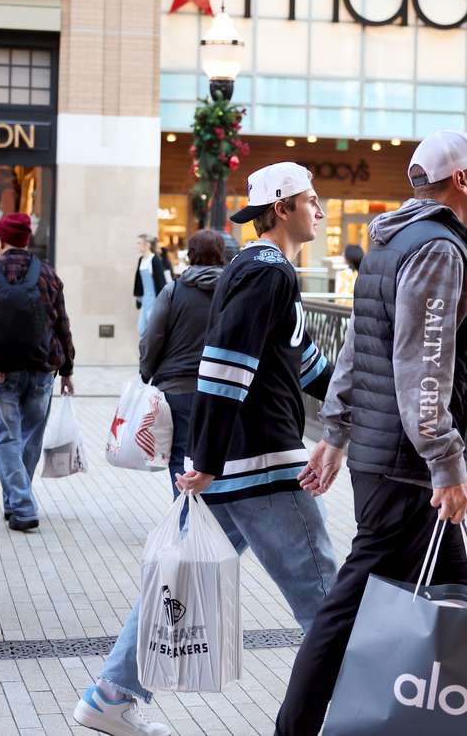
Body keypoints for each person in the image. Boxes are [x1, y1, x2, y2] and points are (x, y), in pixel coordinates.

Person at [73, 163, 339, 736]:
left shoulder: (258, 270)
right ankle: (349, 711)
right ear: (283, 208)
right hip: (260, 465)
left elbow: (302, 364)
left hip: (238, 465)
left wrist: (350, 405)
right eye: (311, 200)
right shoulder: (268, 273)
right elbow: (224, 369)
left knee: (183, 575)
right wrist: (206, 460)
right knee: (326, 601)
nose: (320, 210)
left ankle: (111, 694)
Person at [274, 129, 467, 736]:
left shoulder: (392, 244)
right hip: (408, 468)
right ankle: (293, 727)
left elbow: (359, 347)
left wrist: (337, 431)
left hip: (388, 459)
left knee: (457, 595)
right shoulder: (436, 251)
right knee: (350, 605)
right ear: (459, 181)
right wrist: (446, 462)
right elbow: (421, 367)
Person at [0, 213, 75, 532]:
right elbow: (61, 323)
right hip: (43, 368)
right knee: (30, 436)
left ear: (1, 240)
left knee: (6, 437)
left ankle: (22, 503)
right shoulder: (47, 273)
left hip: (2, 369)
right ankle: (17, 500)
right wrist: (68, 369)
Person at [138, 228, 226, 494]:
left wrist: (146, 371)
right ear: (222, 255)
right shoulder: (234, 291)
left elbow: (152, 337)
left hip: (178, 387)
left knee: (180, 454)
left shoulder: (174, 291)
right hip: (222, 388)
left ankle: (186, 518)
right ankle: (212, 519)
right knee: (219, 454)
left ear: (191, 255)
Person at [134, 234, 168, 336]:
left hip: (154, 300)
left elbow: (161, 282)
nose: (137, 245)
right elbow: (138, 281)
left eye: (139, 243)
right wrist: (138, 297)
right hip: (145, 299)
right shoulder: (141, 260)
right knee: (141, 330)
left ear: (147, 245)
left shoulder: (155, 260)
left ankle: (151, 351)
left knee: (152, 331)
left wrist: (161, 303)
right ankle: (144, 352)